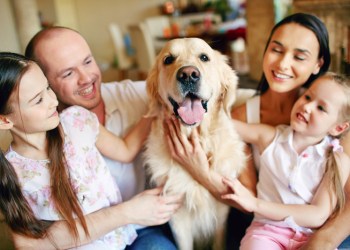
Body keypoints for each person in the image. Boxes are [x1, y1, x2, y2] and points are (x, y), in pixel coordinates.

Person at [163, 12, 350, 249]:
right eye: (277, 49)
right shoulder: (245, 118)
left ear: (318, 64)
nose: (282, 64)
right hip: (270, 228)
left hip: (329, 229)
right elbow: (249, 198)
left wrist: (322, 240)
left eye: (299, 56)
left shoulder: (335, 119)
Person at [0, 52, 182, 249]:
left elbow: (126, 151)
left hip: (128, 236)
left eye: (47, 88)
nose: (53, 101)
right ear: (4, 120)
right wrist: (129, 211)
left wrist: (156, 105)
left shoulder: (77, 120)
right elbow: (28, 244)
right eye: (38, 100)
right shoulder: (12, 171)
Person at [219, 72, 350, 249]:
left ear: (338, 127)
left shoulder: (337, 159)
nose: (307, 106)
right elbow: (226, 125)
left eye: (321, 108)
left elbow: (318, 215)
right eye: (308, 96)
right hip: (266, 232)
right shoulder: (269, 137)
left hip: (310, 238)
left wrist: (255, 204)